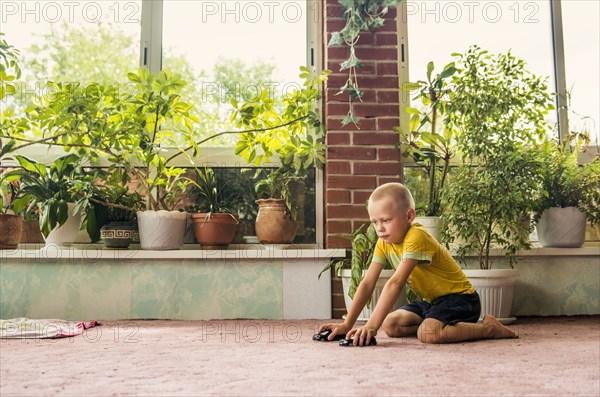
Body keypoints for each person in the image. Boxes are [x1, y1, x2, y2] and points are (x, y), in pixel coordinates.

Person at [319, 182, 518, 346]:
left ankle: (488, 328)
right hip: (432, 302)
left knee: (428, 335)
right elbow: (367, 283)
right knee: (390, 325)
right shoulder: (384, 242)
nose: (379, 228)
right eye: (374, 222)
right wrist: (346, 325)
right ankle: (437, 324)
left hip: (461, 300)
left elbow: (396, 282)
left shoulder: (416, 236)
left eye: (386, 220)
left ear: (409, 216)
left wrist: (371, 327)